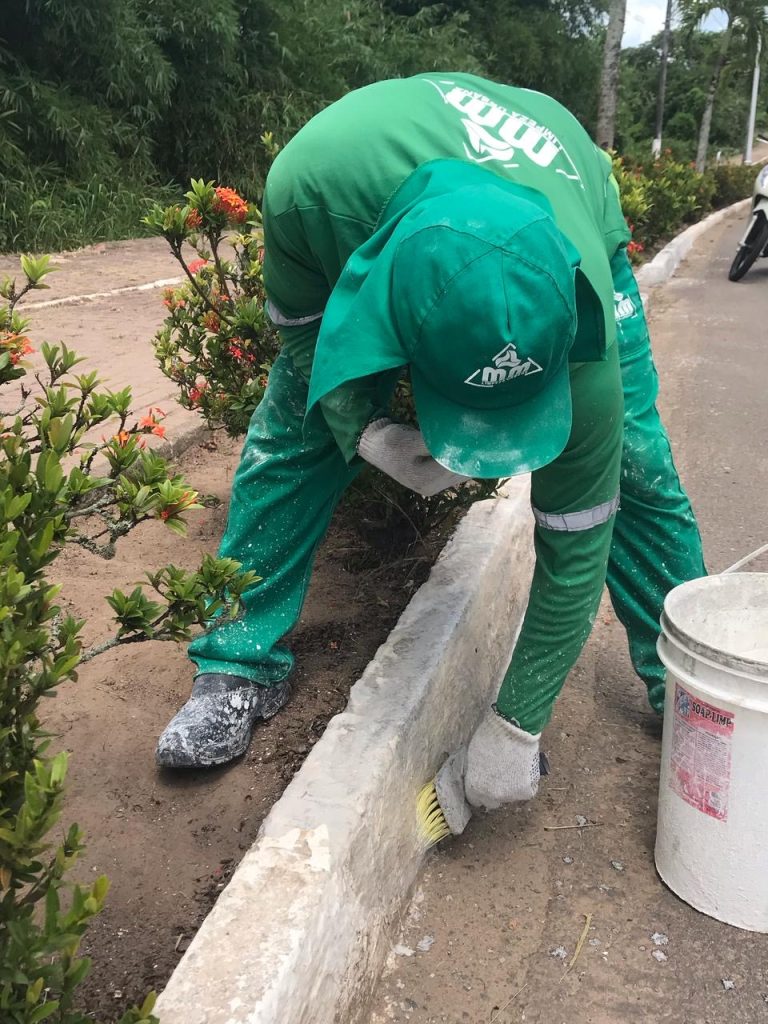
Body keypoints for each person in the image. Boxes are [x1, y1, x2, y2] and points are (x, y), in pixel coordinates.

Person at [156, 74, 706, 809]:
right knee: (294, 428)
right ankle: (237, 661)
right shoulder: (308, 192)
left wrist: (516, 729)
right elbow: (303, 343)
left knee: (636, 467)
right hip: (365, 195)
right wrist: (365, 428)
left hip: (564, 183)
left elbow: (577, 542)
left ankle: (693, 691)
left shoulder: (583, 334)